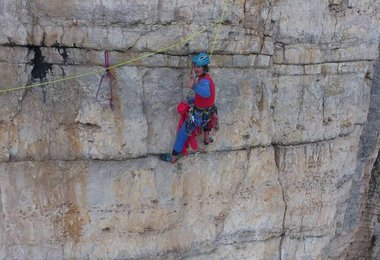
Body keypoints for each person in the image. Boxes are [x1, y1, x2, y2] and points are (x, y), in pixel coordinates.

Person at [160, 52, 217, 163]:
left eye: (199, 67)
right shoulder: (205, 78)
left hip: (199, 114)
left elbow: (206, 93)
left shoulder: (204, 81)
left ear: (205, 67)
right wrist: (192, 100)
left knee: (183, 133)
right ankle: (206, 139)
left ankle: (173, 157)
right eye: (195, 66)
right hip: (208, 110)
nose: (196, 69)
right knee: (208, 123)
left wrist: (194, 86)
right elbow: (204, 97)